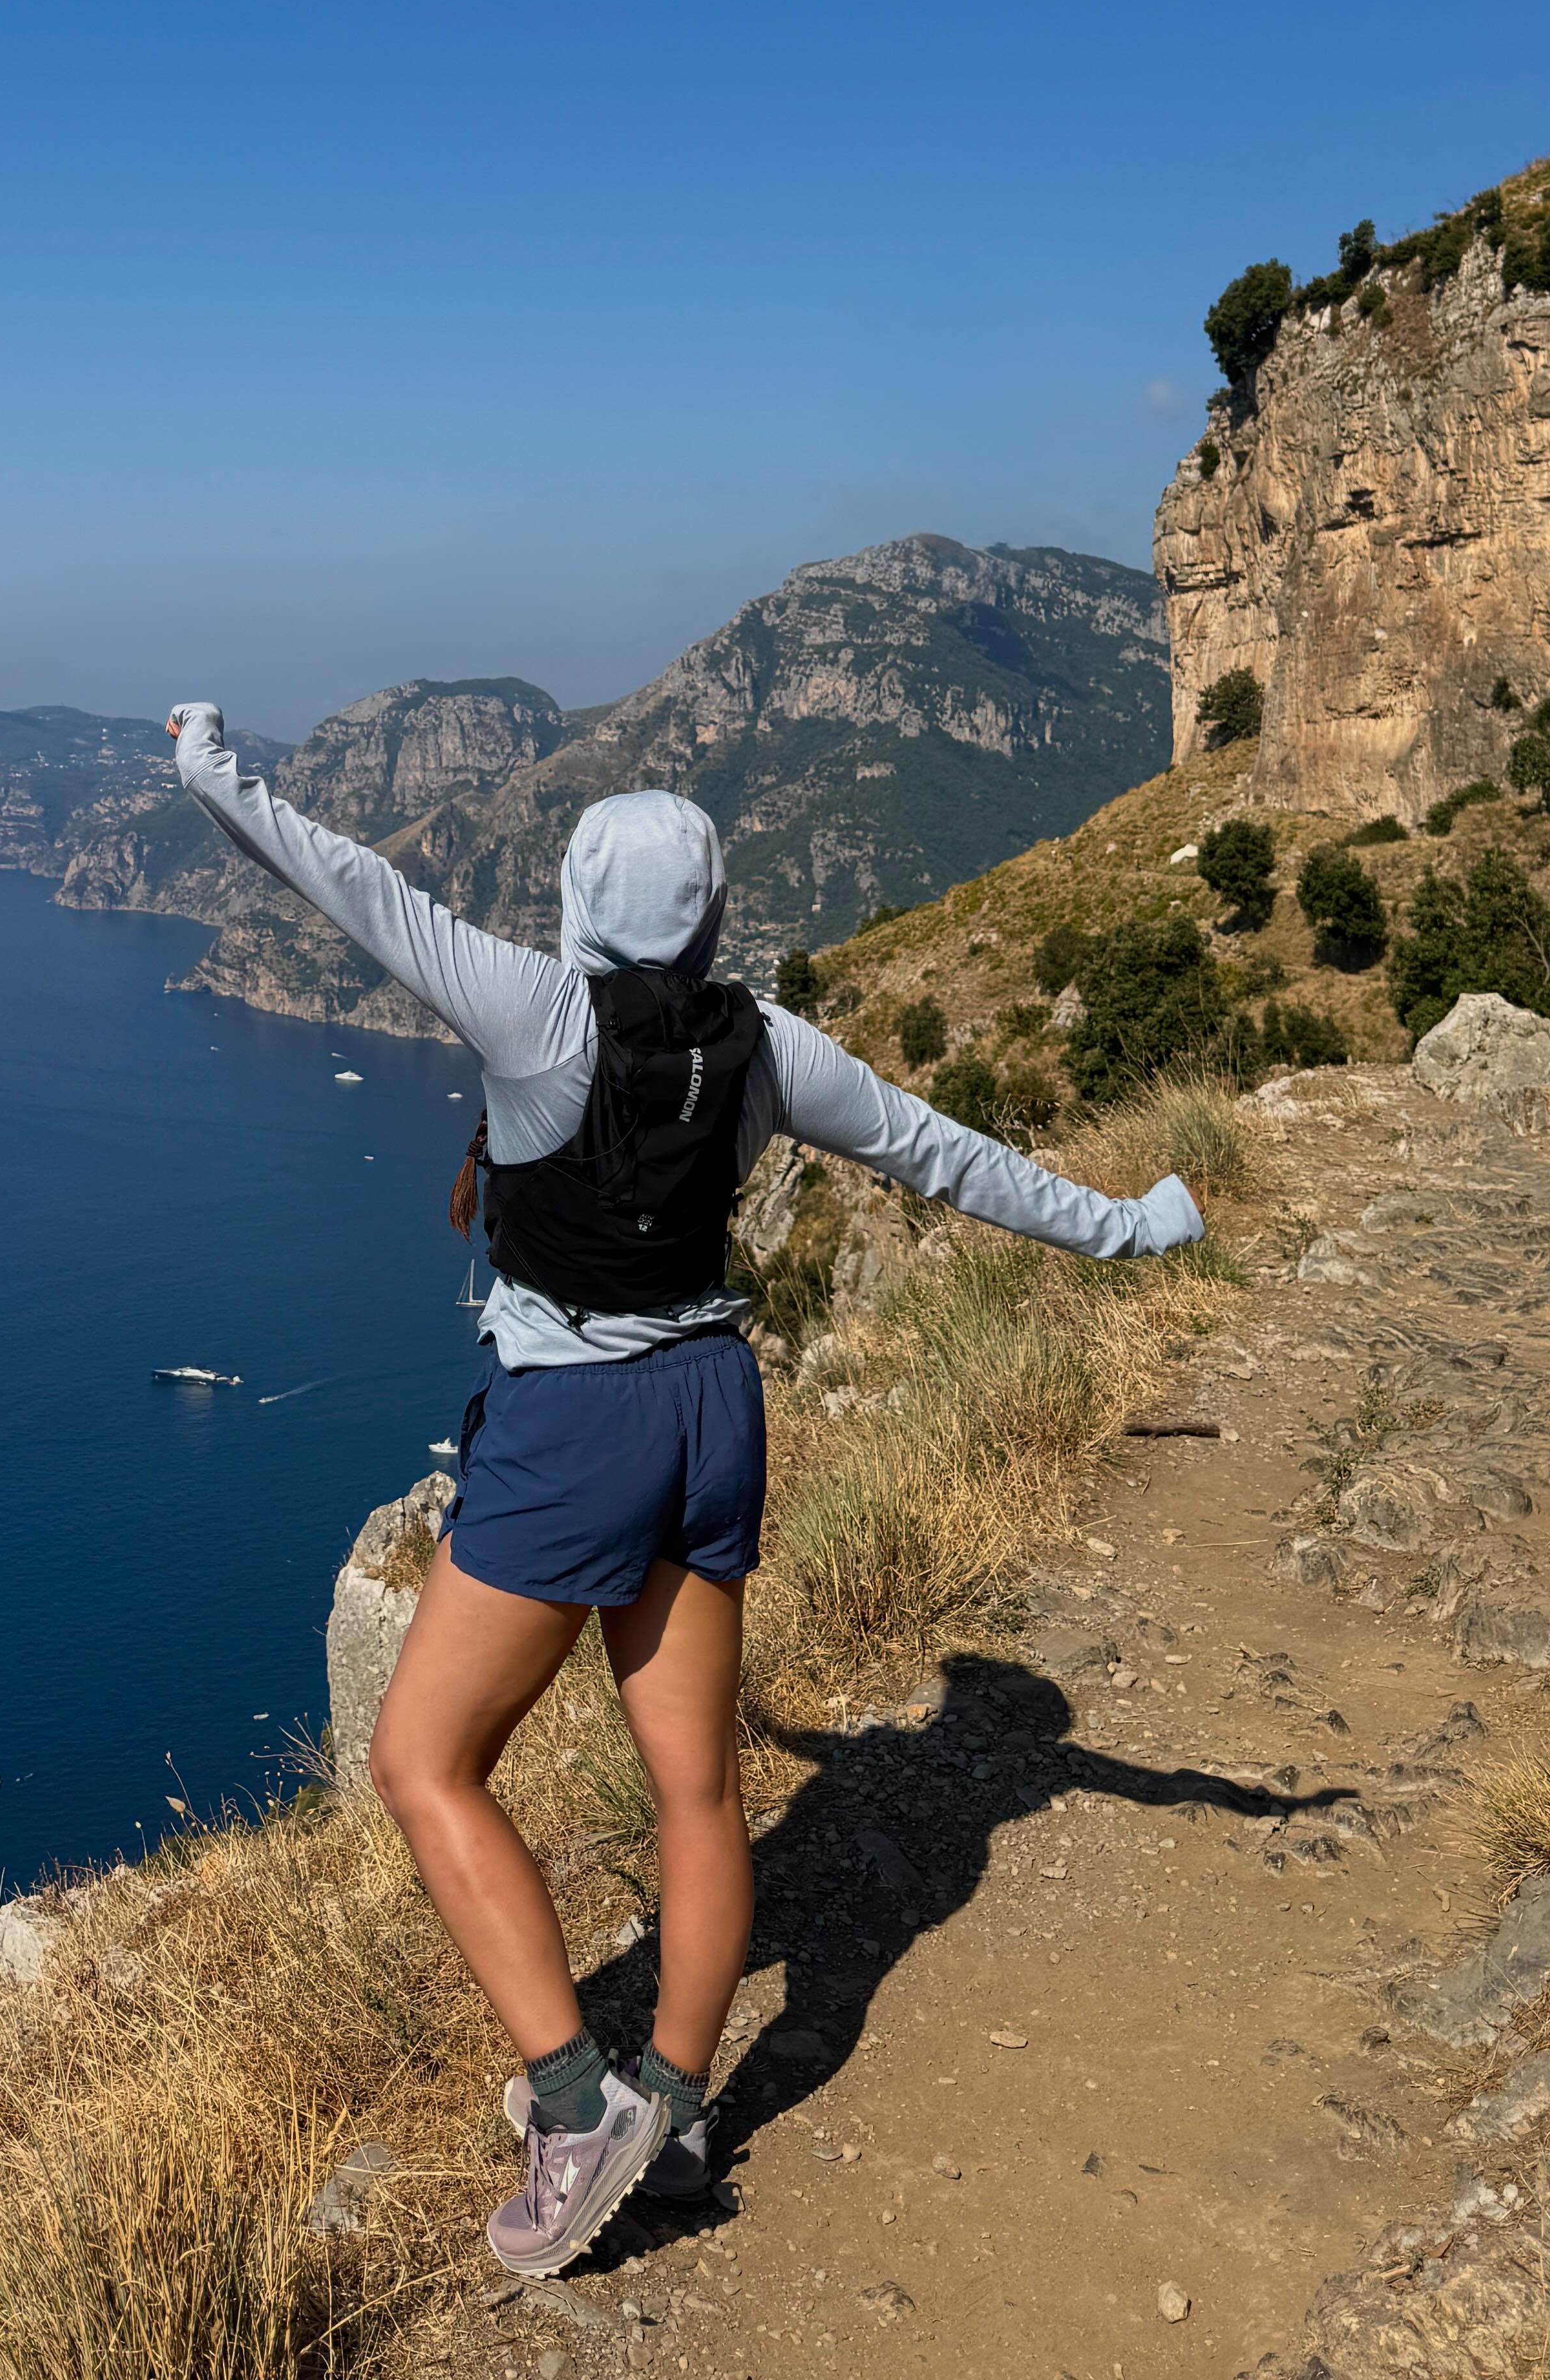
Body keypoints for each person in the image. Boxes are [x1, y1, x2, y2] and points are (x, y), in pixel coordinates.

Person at [166, 704, 1201, 2277]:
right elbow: (947, 1155)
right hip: (715, 1406)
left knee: (423, 1762)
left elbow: (349, 887)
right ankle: (677, 2110)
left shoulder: (531, 1011)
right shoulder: (770, 1049)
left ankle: (575, 2107)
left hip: (573, 1424)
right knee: (700, 1793)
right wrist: (1133, 1227)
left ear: (580, 902)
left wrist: (210, 767)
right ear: (714, 913)